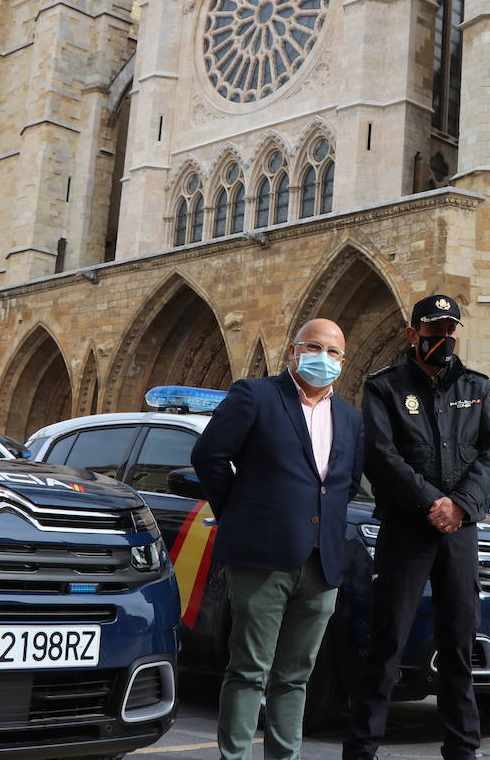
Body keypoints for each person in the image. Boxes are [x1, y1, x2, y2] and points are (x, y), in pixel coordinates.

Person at [191, 318, 365, 760]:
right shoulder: (256, 395)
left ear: (343, 362)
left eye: (333, 353)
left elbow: (343, 484)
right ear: (293, 351)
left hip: (321, 565)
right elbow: (209, 456)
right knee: (249, 670)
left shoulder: (349, 417)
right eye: (314, 348)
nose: (323, 359)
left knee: (295, 676)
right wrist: (240, 516)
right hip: (262, 559)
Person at [343, 295, 490, 760]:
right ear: (414, 335)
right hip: (407, 529)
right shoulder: (386, 387)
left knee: (459, 643)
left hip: (459, 530)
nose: (445, 338)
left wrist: (460, 505)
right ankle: (361, 748)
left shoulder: (476, 387)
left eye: (451, 329)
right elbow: (380, 453)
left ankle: (462, 748)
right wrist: (429, 501)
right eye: (435, 330)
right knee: (387, 641)